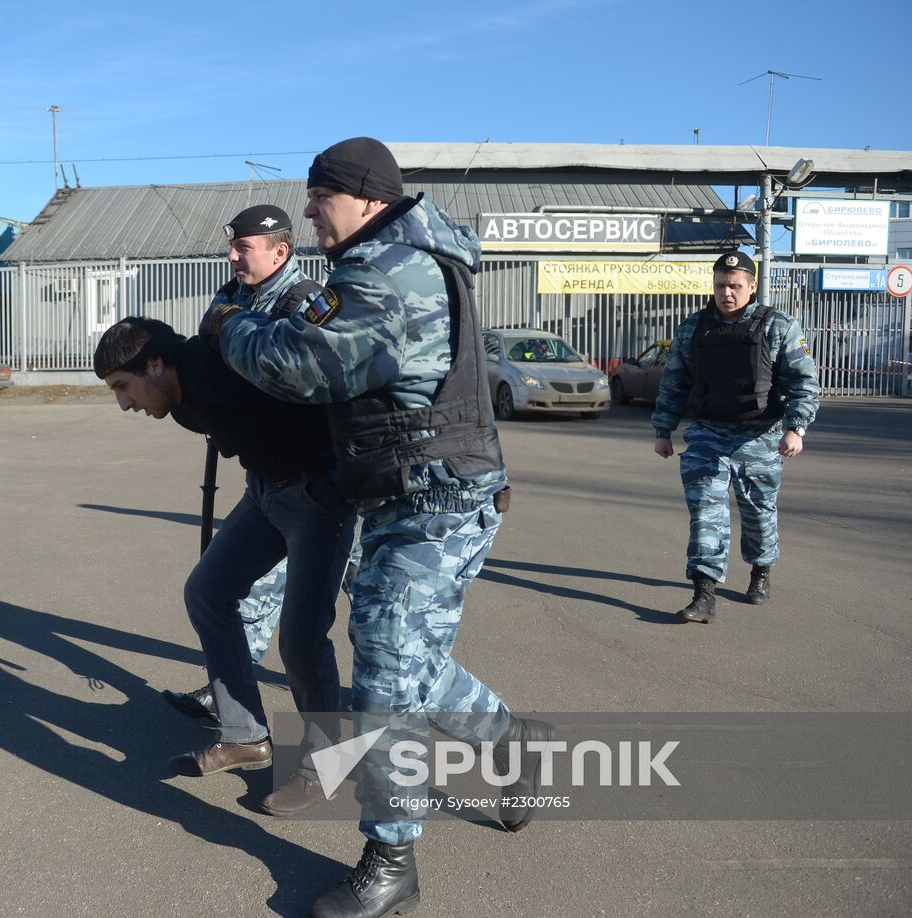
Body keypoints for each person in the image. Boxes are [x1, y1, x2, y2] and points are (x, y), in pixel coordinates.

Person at [203, 137, 551, 918]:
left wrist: (231, 327)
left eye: (318, 196)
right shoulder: (396, 261)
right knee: (413, 664)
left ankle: (391, 859)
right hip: (412, 494)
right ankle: (508, 739)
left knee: (388, 662)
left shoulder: (387, 274)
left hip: (436, 503)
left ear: (363, 197)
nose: (307, 210)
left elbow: (301, 366)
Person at [93, 313, 358, 818]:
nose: (124, 403)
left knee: (302, 639)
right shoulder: (179, 400)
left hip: (322, 496)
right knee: (208, 591)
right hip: (267, 490)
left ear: (155, 364)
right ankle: (246, 735)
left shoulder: (220, 369)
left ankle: (327, 761)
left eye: (124, 386)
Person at [160, 205, 327, 729]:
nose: (232, 255)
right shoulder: (234, 295)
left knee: (377, 633)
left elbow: (294, 385)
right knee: (237, 591)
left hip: (327, 483)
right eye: (231, 245)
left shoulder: (307, 303)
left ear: (281, 251)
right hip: (271, 476)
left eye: (244, 247)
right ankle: (233, 698)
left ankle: (355, 739)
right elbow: (210, 364)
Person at [652, 250, 820, 623]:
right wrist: (664, 430)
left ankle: (760, 572)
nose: (726, 292)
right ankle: (704, 592)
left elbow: (803, 383)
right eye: (720, 286)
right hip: (709, 434)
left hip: (759, 435)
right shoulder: (694, 328)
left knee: (758, 513)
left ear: (752, 286)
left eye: (734, 286)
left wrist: (796, 428)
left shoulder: (779, 326)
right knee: (706, 513)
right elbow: (675, 381)